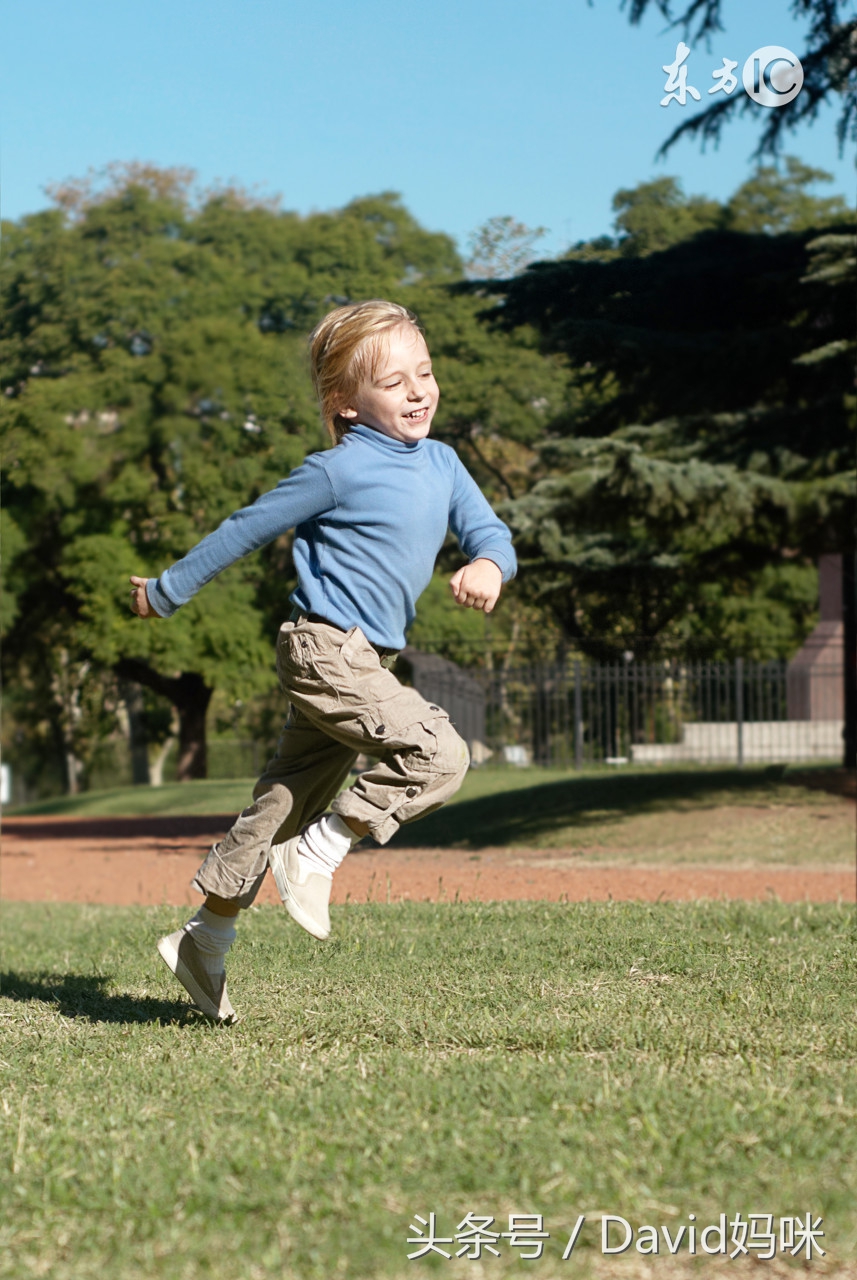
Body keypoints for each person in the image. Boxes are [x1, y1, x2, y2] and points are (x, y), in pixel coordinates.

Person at [129, 299, 516, 1023]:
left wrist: (490, 563)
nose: (417, 391)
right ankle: (323, 849)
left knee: (279, 805)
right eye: (394, 382)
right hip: (322, 649)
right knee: (440, 754)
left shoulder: (444, 463)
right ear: (345, 404)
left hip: (363, 661)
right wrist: (167, 590)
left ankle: (204, 939)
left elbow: (488, 529)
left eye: (423, 374)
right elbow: (244, 529)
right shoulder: (335, 471)